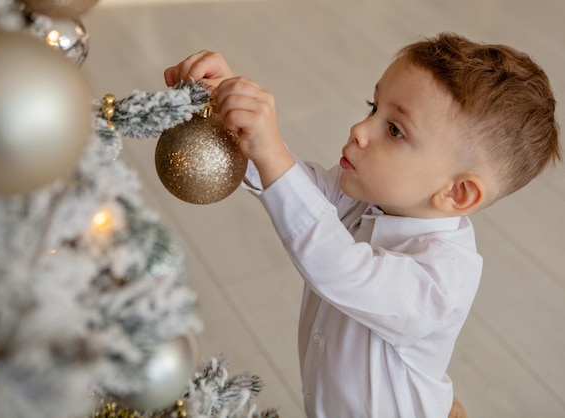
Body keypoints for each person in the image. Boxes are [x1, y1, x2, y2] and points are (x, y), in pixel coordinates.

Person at [164, 33, 561, 417]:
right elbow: (298, 189)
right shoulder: (371, 198)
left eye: (394, 130)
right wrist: (235, 116)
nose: (360, 129)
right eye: (373, 107)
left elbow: (338, 265)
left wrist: (270, 151)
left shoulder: (441, 279)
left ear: (457, 194)